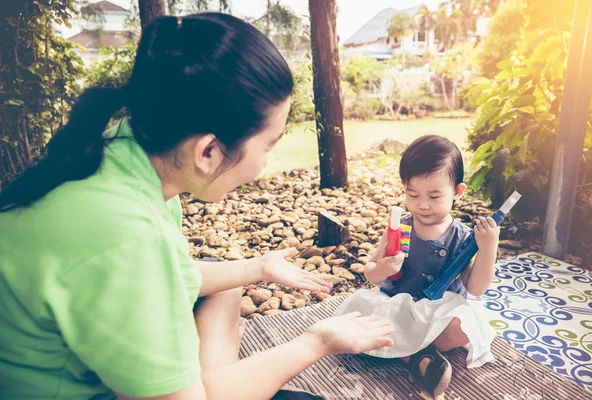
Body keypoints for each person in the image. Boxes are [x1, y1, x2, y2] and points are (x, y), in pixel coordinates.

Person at [0, 13, 396, 400]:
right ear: (207, 151)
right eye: (268, 146)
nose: (266, 164)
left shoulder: (128, 153)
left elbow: (171, 273)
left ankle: (214, 379)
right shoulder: (128, 236)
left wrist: (258, 268)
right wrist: (317, 340)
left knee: (225, 287)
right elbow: (140, 265)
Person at [334, 135, 500, 397]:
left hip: (437, 313)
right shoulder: (400, 228)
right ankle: (416, 356)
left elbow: (476, 288)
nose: (422, 204)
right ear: (404, 188)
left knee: (464, 329)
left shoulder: (461, 237)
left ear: (457, 192)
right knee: (356, 312)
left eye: (434, 196)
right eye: (413, 194)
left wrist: (488, 246)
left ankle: (403, 349)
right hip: (396, 305)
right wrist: (383, 269)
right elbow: (371, 273)